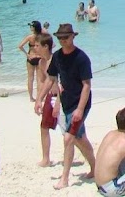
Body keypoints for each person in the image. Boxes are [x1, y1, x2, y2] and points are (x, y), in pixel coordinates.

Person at [35, 23, 96, 190]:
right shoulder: (57, 57)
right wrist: (39, 99)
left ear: (73, 37)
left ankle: (65, 178)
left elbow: (86, 85)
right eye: (60, 38)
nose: (62, 40)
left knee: (68, 138)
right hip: (67, 102)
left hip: (80, 103)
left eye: (66, 37)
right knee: (79, 138)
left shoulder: (81, 58)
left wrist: (80, 109)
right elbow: (51, 79)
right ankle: (95, 168)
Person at [35, 35, 59, 168]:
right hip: (49, 96)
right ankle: (46, 158)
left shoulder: (55, 60)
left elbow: (60, 82)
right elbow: (41, 82)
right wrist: (39, 100)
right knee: (44, 127)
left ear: (45, 46)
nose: (35, 48)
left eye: (37, 46)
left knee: (69, 131)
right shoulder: (41, 62)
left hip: (60, 97)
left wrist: (58, 102)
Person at [18, 20, 45, 100]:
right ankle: (39, 97)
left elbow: (20, 46)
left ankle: (31, 97)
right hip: (39, 57)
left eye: (31, 26)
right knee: (39, 79)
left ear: (34, 28)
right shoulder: (41, 37)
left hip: (31, 57)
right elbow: (52, 45)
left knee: (30, 78)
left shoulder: (30, 37)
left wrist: (27, 54)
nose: (30, 27)